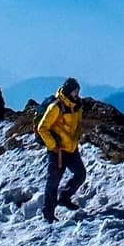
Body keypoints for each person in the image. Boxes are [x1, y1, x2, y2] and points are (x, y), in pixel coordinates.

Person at [36, 76, 86, 222]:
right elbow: (42, 128)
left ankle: (64, 197)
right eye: (74, 91)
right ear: (68, 91)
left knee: (80, 174)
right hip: (57, 151)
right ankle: (48, 214)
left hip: (71, 149)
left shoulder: (77, 105)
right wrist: (53, 146)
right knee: (53, 182)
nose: (77, 93)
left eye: (77, 91)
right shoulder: (56, 106)